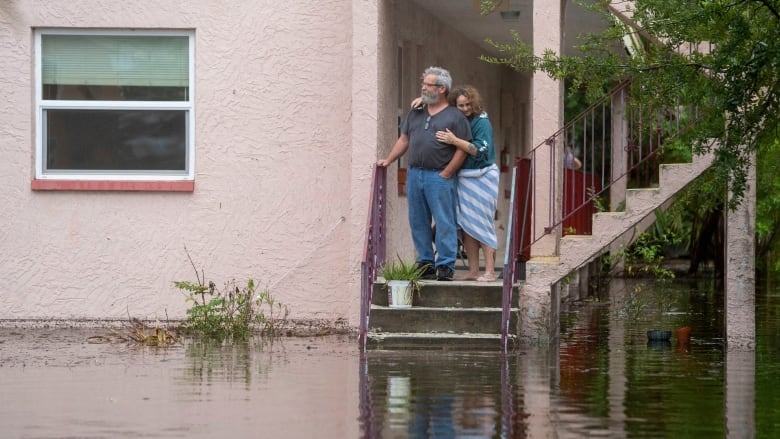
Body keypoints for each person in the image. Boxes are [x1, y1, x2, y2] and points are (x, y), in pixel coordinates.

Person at [377, 67, 472, 281]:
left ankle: (446, 264)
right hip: (414, 173)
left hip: (439, 176)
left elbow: (462, 148)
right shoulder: (416, 112)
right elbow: (404, 139)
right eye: (424, 83)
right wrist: (389, 160)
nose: (422, 87)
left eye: (427, 85)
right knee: (417, 219)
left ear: (441, 89)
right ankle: (426, 261)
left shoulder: (455, 117)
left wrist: (448, 172)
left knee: (444, 220)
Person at [417, 85, 500, 281]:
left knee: (482, 223)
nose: (464, 108)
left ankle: (489, 271)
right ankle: (473, 271)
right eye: (460, 105)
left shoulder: (481, 122)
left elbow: (479, 150)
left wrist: (454, 140)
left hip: (482, 177)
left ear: (474, 103)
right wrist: (423, 101)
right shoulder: (457, 120)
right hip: (464, 178)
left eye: (468, 104)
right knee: (467, 225)